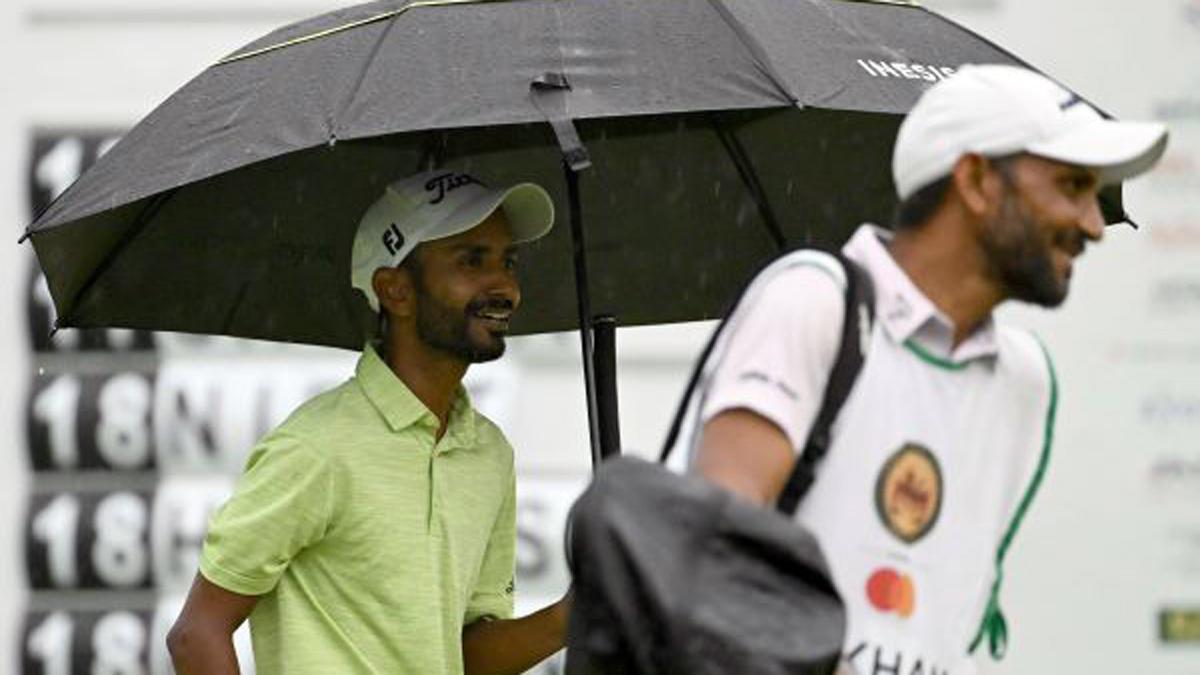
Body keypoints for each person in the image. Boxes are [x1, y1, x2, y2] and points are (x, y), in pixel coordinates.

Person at [689, 65, 1168, 675]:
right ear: (976, 181)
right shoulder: (813, 299)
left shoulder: (1026, 380)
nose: (1093, 225)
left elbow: (945, 629)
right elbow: (710, 571)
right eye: (1072, 186)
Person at [167, 170, 570, 675]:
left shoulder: (489, 451)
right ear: (395, 290)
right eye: (472, 260)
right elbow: (196, 634)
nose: (505, 287)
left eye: (507, 262)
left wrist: (573, 617)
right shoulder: (315, 446)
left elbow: (465, 657)